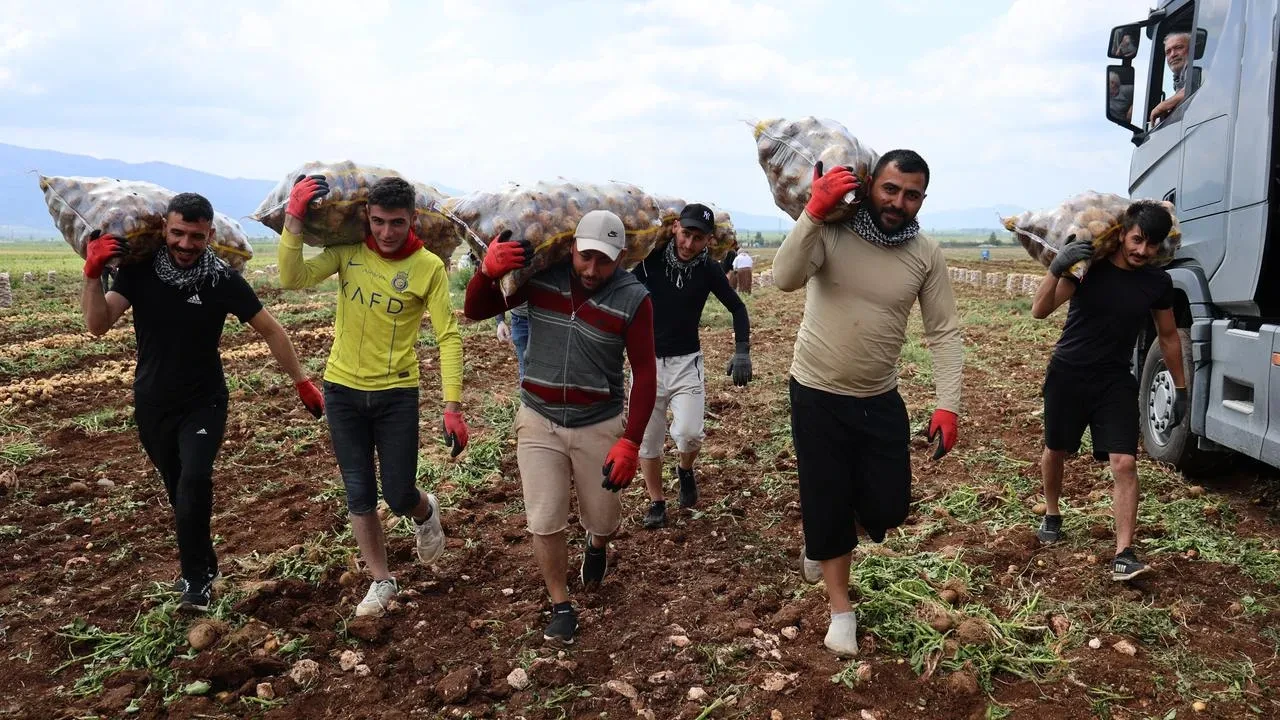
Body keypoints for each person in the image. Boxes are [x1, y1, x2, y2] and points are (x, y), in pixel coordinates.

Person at [80, 193, 324, 612]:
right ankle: (206, 561)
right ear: (164, 230)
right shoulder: (139, 273)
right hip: (152, 403)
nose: (186, 244)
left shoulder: (222, 280)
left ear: (210, 235)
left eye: (196, 236)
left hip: (204, 401)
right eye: (178, 233)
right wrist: (91, 275)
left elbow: (270, 330)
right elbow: (98, 325)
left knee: (194, 480)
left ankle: (195, 582)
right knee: (180, 492)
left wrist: (302, 381)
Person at [773, 150, 963, 656]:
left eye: (912, 194)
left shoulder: (924, 252)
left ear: (923, 198)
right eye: (890, 189)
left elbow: (943, 330)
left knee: (888, 507)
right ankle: (841, 610)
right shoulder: (833, 228)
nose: (899, 202)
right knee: (827, 496)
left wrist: (948, 404)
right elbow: (784, 278)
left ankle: (824, 535)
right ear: (870, 183)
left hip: (879, 397)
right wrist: (813, 211)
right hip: (815, 392)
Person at [278, 175, 469, 618]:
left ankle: (424, 511)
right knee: (359, 493)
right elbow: (292, 277)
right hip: (342, 389)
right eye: (379, 221)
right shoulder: (348, 253)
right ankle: (381, 580)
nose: (386, 232)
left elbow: (449, 337)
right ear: (367, 216)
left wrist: (453, 406)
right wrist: (293, 220)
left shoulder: (429, 268)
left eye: (396, 223)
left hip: (396, 393)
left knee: (399, 493)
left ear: (412, 220)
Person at [464, 210, 657, 646]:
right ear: (571, 247)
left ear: (621, 257)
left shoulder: (634, 298)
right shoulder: (541, 279)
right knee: (545, 518)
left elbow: (645, 373)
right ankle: (561, 603)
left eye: (604, 261)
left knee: (604, 518)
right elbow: (476, 310)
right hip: (539, 419)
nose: (592, 270)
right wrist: (486, 273)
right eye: (585, 257)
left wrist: (630, 441)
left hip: (598, 423)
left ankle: (597, 544)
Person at [1030, 201, 1184, 582]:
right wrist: (1056, 268)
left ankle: (1124, 553)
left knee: (1125, 462)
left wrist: (1180, 388)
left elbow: (1168, 337)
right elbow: (1040, 310)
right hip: (1068, 373)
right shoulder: (1088, 268)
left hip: (1115, 378)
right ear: (1123, 234)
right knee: (1056, 449)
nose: (1142, 251)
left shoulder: (1157, 283)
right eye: (1137, 240)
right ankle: (1052, 512)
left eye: (1151, 245)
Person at [632, 203, 752, 528]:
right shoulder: (647, 262)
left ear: (708, 241)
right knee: (649, 439)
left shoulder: (708, 269)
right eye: (686, 234)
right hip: (646, 365)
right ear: (675, 229)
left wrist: (742, 349)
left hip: (687, 363)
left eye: (698, 238)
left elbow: (738, 308)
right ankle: (657, 501)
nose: (688, 244)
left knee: (689, 435)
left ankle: (685, 469)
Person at [1150, 32, 1191, 125]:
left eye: (1179, 47)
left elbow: (1194, 87)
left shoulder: (1197, 68)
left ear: (1193, 49)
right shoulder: (1179, 80)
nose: (1173, 54)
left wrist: (1162, 106)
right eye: (1168, 52)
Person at [496, 303, 530, 379]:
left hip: (547, 318)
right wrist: (500, 321)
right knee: (525, 373)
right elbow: (499, 291)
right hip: (520, 320)